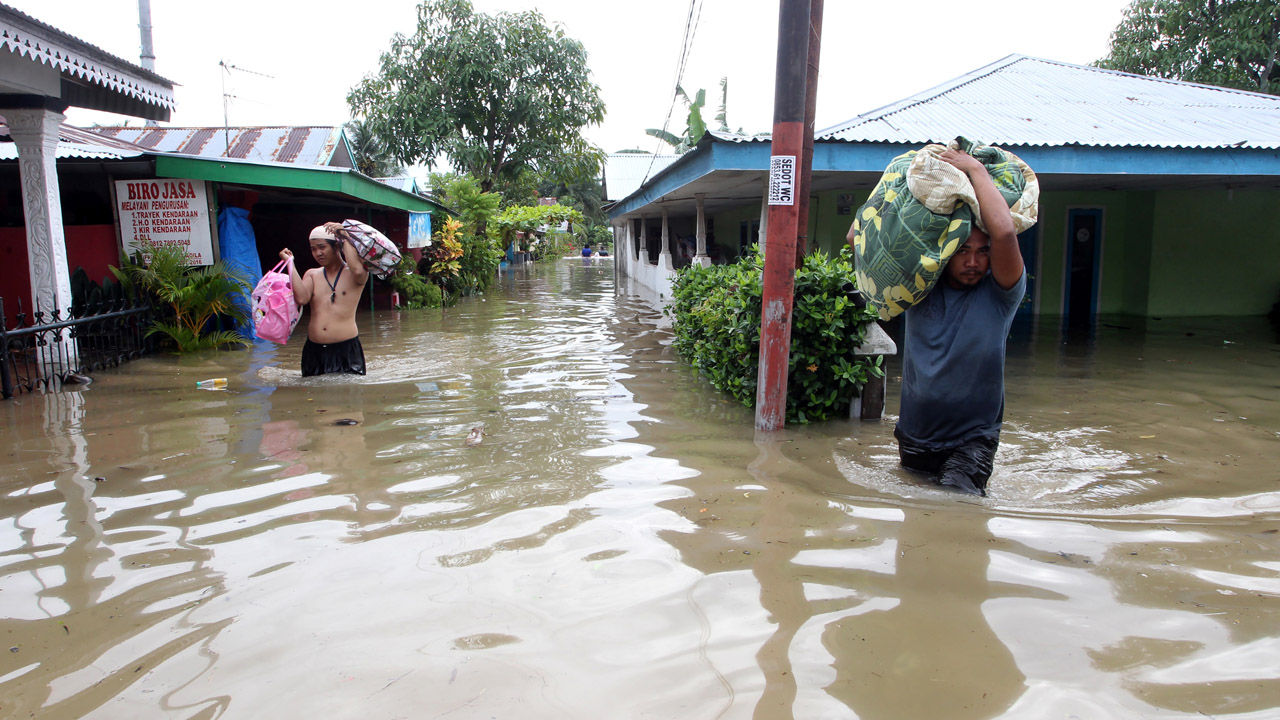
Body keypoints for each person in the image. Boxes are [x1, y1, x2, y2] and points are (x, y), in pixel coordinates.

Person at [876, 148, 1025, 497]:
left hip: (972, 440)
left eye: (982, 252)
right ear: (945, 250)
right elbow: (860, 238)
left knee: (957, 510)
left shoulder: (1001, 294)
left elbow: (1003, 233)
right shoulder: (918, 286)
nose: (973, 261)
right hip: (914, 435)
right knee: (916, 533)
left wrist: (974, 169)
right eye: (962, 250)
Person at [279, 223, 369, 377]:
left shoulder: (356, 274)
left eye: (322, 247)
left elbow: (356, 269)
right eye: (313, 249)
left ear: (336, 247)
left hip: (346, 348)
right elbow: (301, 298)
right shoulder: (312, 274)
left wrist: (344, 236)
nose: (318, 253)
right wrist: (290, 263)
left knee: (349, 395)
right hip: (314, 349)